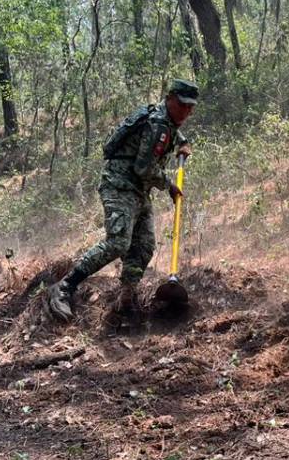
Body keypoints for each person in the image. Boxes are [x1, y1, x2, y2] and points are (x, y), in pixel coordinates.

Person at [47, 79, 198, 321]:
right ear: (169, 98)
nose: (186, 112)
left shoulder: (163, 118)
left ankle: (126, 299)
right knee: (118, 243)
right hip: (120, 186)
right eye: (182, 105)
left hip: (139, 191)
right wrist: (169, 185)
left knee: (144, 246)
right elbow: (143, 167)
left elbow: (169, 132)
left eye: (191, 108)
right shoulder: (158, 124)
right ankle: (64, 287)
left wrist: (182, 141)